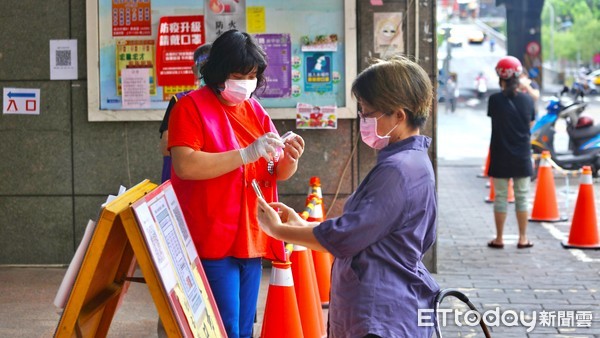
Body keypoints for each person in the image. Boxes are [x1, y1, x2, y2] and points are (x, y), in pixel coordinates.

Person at [256, 56, 439, 337]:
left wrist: (278, 230)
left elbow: (347, 236)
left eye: (368, 112)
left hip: (379, 310)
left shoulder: (397, 170)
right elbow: (366, 230)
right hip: (388, 302)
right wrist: (300, 226)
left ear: (399, 115)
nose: (363, 120)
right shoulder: (414, 161)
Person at [167, 29, 305, 338]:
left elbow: (275, 170)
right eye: (238, 74)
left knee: (244, 326)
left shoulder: (255, 110)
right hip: (212, 234)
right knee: (224, 325)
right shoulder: (189, 107)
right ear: (217, 72)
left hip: (251, 234)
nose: (246, 82)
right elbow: (185, 165)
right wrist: (244, 154)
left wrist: (290, 158)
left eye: (252, 75)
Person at [486, 56, 536, 250]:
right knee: (522, 196)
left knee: (500, 197)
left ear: (500, 77)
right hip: (522, 156)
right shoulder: (527, 100)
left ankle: (499, 238)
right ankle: (523, 238)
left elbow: (496, 120)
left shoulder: (494, 100)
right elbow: (530, 123)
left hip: (500, 155)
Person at [159, 43, 212, 183]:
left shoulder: (231, 101)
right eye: (203, 66)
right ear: (195, 70)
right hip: (181, 183)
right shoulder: (181, 101)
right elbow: (166, 147)